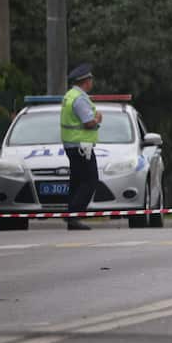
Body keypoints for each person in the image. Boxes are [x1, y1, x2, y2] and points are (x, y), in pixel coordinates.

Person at [60, 63, 102, 231]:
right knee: (91, 180)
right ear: (85, 81)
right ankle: (74, 213)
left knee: (76, 181)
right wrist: (98, 119)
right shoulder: (80, 98)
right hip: (81, 146)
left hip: (72, 144)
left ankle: (72, 218)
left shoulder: (69, 95)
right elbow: (88, 122)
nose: (92, 82)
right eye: (90, 79)